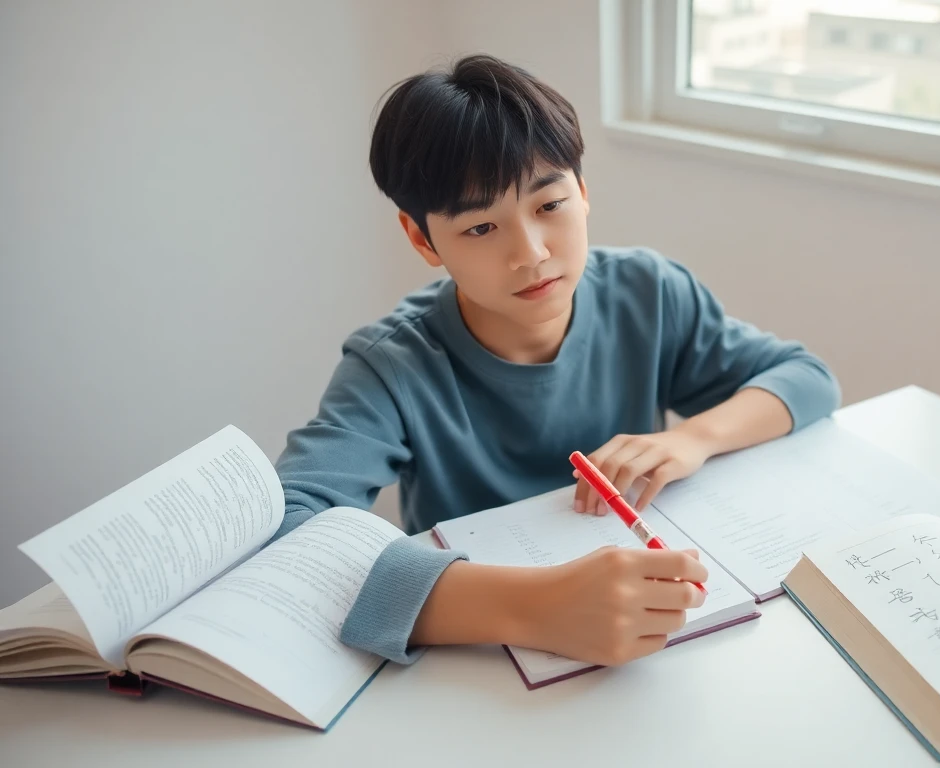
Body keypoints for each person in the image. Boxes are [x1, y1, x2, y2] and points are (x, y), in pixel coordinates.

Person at [272, 54, 840, 668]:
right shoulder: (393, 366)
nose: (532, 253)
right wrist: (532, 607)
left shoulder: (648, 292)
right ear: (421, 238)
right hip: (477, 669)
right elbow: (288, 531)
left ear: (583, 192)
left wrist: (693, 439)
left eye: (549, 206)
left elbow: (807, 380)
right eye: (482, 229)